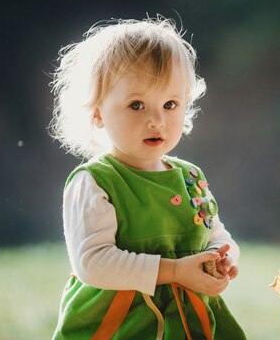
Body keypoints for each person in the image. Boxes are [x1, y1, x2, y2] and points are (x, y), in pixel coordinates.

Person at [49, 18, 247, 340]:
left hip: (187, 324)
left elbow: (215, 233)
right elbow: (92, 262)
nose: (157, 120)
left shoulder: (189, 177)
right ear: (97, 112)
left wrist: (222, 258)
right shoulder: (96, 181)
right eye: (136, 105)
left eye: (170, 104)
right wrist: (175, 272)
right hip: (121, 326)